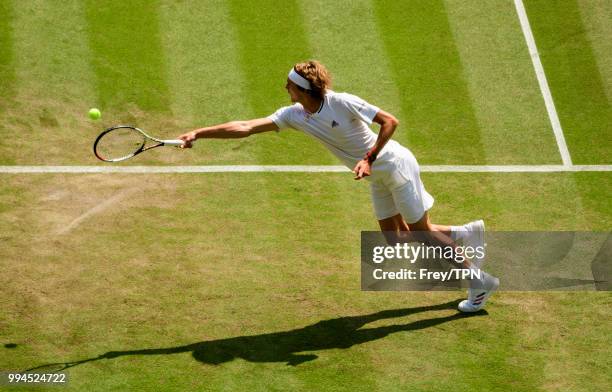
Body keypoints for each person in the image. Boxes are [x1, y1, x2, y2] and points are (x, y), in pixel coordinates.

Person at [178, 60, 499, 312]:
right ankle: (466, 232)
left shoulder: (341, 103)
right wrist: (199, 133)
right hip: (375, 174)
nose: (285, 88)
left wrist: (369, 158)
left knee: (421, 233)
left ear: (301, 89)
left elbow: (390, 121)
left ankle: (479, 282)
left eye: (289, 85)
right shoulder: (294, 115)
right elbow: (246, 127)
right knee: (394, 238)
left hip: (394, 166)